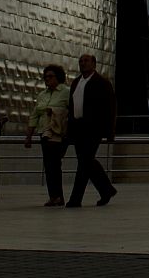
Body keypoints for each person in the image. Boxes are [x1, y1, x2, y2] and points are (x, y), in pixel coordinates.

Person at [66, 53, 118, 207]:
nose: (83, 63)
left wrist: (110, 131)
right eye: (80, 61)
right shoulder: (76, 83)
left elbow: (111, 108)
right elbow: (71, 106)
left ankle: (75, 199)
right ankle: (107, 189)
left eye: (86, 61)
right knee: (86, 162)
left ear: (94, 64)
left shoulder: (102, 83)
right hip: (78, 128)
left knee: (84, 163)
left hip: (93, 129)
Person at [23, 64, 71, 207]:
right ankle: (54, 196)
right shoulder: (42, 95)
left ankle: (58, 196)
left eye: (50, 76)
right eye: (45, 77)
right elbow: (34, 116)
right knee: (49, 165)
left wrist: (55, 111)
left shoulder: (66, 92)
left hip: (58, 134)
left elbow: (72, 112)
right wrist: (29, 136)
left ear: (58, 77)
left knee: (55, 165)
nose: (47, 79)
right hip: (44, 134)